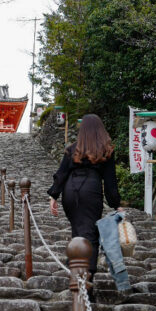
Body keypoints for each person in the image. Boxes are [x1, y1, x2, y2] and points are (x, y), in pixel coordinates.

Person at [48, 113, 124, 289]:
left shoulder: (72, 149)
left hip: (70, 190)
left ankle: (77, 273)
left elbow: (61, 174)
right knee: (90, 233)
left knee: (78, 230)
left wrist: (54, 195)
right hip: (91, 190)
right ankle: (85, 279)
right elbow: (110, 182)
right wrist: (116, 204)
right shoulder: (106, 150)